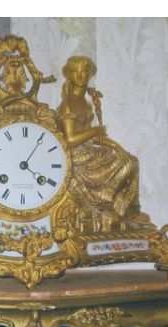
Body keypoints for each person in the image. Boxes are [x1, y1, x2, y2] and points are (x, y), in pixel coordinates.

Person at [56, 56, 140, 229]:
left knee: (131, 161)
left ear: (90, 73)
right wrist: (96, 130)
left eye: (84, 71)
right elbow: (69, 140)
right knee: (126, 163)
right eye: (76, 72)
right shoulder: (67, 105)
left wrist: (115, 146)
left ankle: (121, 207)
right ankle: (108, 202)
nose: (80, 76)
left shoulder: (85, 103)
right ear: (69, 75)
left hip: (91, 154)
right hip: (77, 161)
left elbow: (90, 137)